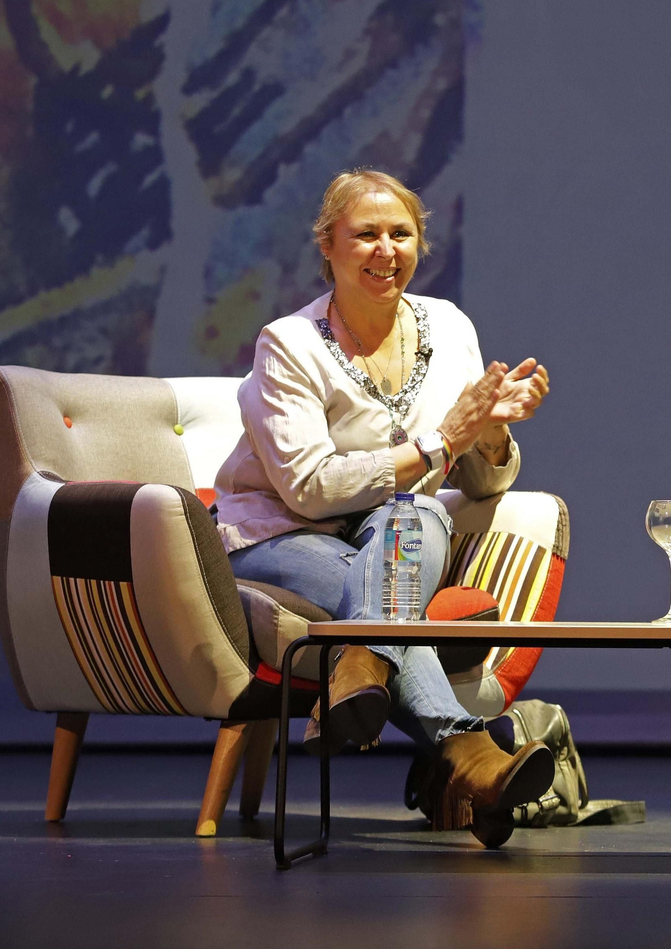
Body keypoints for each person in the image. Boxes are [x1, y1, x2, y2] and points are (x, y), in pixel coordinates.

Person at [213, 169, 555, 847]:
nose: (385, 249)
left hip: (397, 530)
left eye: (401, 233)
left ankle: (362, 663)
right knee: (408, 525)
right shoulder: (290, 344)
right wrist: (441, 442)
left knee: (417, 513)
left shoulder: (450, 327)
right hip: (278, 532)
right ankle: (471, 756)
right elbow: (307, 487)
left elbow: (482, 486)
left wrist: (488, 434)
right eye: (365, 233)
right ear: (328, 247)